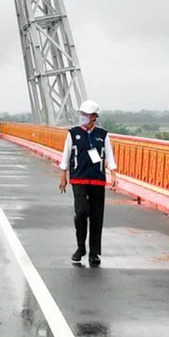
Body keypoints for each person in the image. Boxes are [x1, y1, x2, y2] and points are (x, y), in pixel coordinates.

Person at [58, 99, 117, 266]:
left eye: (86, 114)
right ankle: (80, 246)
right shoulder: (73, 133)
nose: (82, 116)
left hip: (97, 179)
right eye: (81, 114)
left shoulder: (102, 134)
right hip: (78, 178)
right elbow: (66, 155)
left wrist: (113, 174)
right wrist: (63, 175)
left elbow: (109, 156)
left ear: (94, 117)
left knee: (97, 216)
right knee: (81, 212)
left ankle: (94, 252)